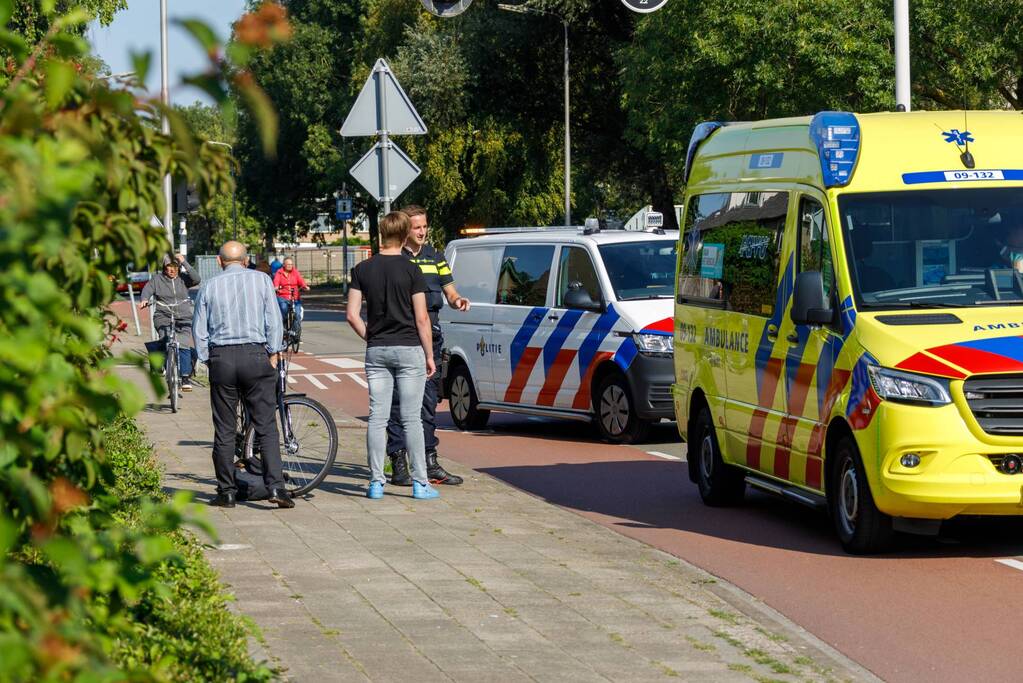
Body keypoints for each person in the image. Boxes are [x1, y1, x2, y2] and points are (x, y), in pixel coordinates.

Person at [346, 211, 440, 500]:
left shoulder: (362, 269)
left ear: (382, 234)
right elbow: (422, 318)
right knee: (411, 419)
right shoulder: (412, 270)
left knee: (377, 417)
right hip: (409, 348)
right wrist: (429, 355)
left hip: (377, 350)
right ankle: (420, 483)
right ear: (403, 235)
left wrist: (371, 336)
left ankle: (376, 482)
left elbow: (352, 315)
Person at [192, 241, 293, 510]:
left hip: (222, 358)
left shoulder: (209, 286)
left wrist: (208, 358)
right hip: (255, 355)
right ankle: (276, 488)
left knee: (224, 428)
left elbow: (199, 329)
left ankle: (226, 492)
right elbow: (273, 319)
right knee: (266, 425)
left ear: (219, 261)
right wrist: (274, 351)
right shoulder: (262, 280)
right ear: (246, 260)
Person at [386, 205, 470, 487]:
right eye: (416, 227)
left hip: (431, 337)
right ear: (405, 230)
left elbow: (450, 291)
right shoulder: (394, 258)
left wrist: (458, 301)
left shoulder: (435, 256)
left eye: (424, 226)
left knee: (428, 402)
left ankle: (428, 461)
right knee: (398, 402)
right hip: (403, 335)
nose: (422, 232)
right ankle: (399, 463)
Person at [140, 253, 200, 391]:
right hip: (163, 316)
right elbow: (147, 289)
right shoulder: (157, 279)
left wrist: (184, 262)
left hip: (184, 317)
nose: (172, 270)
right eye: (169, 266)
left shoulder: (184, 279)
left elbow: (197, 279)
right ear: (164, 267)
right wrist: (144, 299)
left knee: (183, 344)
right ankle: (158, 362)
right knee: (165, 338)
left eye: (175, 266)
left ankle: (185, 377)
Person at [272, 257, 310, 334]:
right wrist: (276, 287)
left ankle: (296, 332)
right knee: (283, 308)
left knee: (298, 313)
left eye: (291, 264)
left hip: (295, 297)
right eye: (288, 264)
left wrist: (305, 286)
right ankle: (283, 325)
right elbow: (276, 281)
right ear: (284, 265)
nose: (290, 266)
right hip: (283, 296)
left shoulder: (295, 272)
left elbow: (300, 280)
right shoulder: (279, 273)